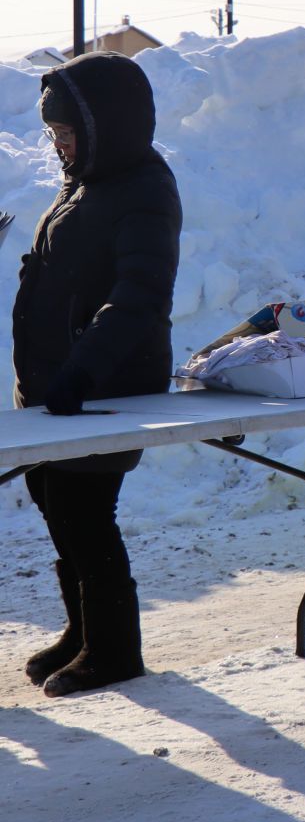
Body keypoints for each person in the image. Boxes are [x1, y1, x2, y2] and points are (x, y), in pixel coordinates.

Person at [14, 51, 181, 697]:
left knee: (86, 511)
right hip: (60, 388)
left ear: (105, 126)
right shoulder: (87, 177)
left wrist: (81, 372)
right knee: (55, 501)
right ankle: (83, 628)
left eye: (66, 135)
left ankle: (113, 648)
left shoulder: (144, 186)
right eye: (53, 137)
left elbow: (139, 297)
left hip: (109, 386)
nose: (58, 148)